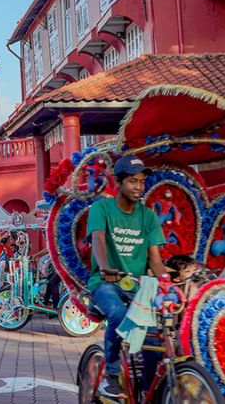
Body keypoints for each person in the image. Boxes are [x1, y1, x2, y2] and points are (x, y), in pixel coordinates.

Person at [87, 155, 167, 399]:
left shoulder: (148, 216)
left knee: (155, 336)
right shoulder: (102, 208)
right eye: (133, 181)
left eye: (142, 182)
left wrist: (168, 282)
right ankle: (111, 374)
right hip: (105, 283)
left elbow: (155, 259)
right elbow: (98, 239)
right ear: (119, 182)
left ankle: (146, 391)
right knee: (119, 314)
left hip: (138, 287)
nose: (139, 187)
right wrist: (104, 267)